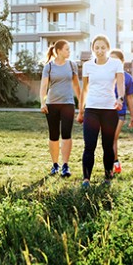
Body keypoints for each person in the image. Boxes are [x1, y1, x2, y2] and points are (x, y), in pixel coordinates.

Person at [77, 35, 125, 188]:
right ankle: (86, 179)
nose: (100, 50)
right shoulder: (87, 66)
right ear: (93, 49)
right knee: (89, 145)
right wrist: (80, 110)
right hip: (91, 109)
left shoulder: (116, 64)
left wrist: (120, 99)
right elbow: (84, 90)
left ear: (108, 48)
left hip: (109, 110)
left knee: (107, 145)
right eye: (96, 47)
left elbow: (121, 84)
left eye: (103, 47)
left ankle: (108, 174)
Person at [39, 40, 81, 178]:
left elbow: (76, 86)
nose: (69, 52)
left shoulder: (72, 65)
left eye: (69, 49)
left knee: (66, 134)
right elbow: (44, 86)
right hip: (52, 104)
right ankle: (55, 165)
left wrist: (81, 103)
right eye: (67, 49)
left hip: (68, 103)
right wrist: (42, 103)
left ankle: (65, 165)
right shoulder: (49, 67)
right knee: (53, 135)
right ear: (58, 50)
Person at [109, 49, 133, 174]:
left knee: (113, 137)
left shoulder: (128, 78)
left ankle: (115, 163)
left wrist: (132, 116)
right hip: (105, 111)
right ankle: (112, 163)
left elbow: (129, 98)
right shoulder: (106, 75)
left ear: (122, 61)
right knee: (108, 138)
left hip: (120, 113)